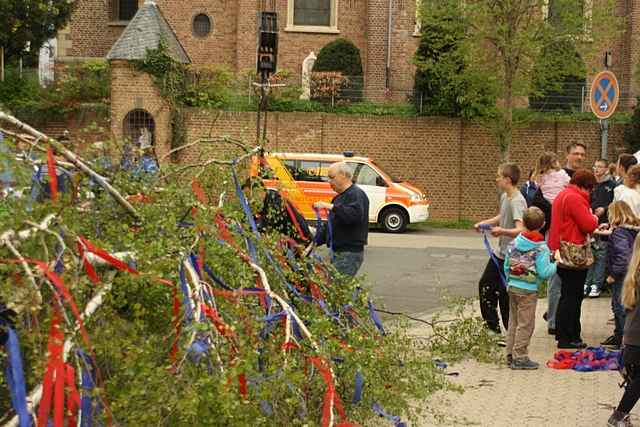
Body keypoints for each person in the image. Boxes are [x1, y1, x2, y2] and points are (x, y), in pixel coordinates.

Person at [548, 169, 599, 349]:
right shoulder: (575, 198)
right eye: (590, 189)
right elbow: (588, 224)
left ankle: (562, 334)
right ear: (585, 186)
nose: (590, 193)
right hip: (573, 252)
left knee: (566, 295)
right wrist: (594, 216)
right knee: (573, 296)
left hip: (560, 249)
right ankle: (570, 337)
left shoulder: (562, 194)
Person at [474, 163, 527, 333]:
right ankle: (492, 327)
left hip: (512, 258)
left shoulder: (518, 201)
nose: (496, 179)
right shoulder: (506, 197)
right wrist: (485, 224)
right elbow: (501, 216)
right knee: (485, 285)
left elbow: (521, 229)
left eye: (499, 176)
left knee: (506, 297)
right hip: (500, 254)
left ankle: (511, 333)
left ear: (507, 180)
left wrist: (502, 231)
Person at [504, 207, 557, 370]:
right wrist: (556, 263)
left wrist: (509, 281)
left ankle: (510, 353)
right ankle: (520, 356)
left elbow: (506, 265)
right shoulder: (541, 248)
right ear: (543, 225)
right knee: (526, 324)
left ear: (524, 223)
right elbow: (544, 272)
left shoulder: (514, 242)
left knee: (513, 322)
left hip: (512, 287)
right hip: (528, 290)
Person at [310, 162, 369, 277]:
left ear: (343, 175)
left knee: (337, 286)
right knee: (336, 288)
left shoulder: (356, 194)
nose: (329, 181)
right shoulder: (338, 198)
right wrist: (313, 243)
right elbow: (330, 226)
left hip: (349, 253)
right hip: (337, 252)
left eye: (331, 177)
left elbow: (354, 216)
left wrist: (330, 207)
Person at [608, 233, 640, 426]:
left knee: (636, 381)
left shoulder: (634, 272)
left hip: (632, 336)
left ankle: (620, 415)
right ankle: (618, 416)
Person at [600, 201, 640, 349]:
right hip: (631, 272)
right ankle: (619, 335)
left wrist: (613, 274)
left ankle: (623, 339)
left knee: (620, 307)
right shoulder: (631, 230)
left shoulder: (619, 233)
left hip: (622, 275)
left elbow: (623, 257)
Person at [584, 158, 618, 298]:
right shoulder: (590, 184)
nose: (596, 169)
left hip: (605, 225)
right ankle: (587, 282)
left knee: (601, 256)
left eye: (599, 167)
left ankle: (596, 285)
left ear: (605, 169)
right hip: (591, 224)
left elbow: (615, 204)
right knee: (590, 254)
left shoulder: (612, 185)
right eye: (595, 166)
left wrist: (604, 209)